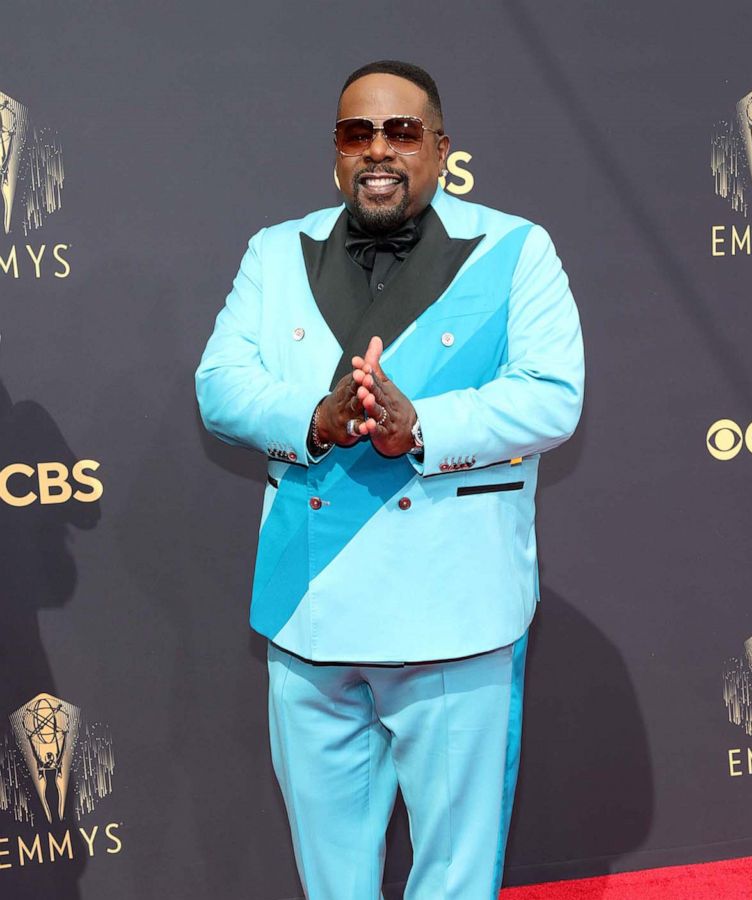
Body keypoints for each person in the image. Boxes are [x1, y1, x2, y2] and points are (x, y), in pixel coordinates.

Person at [196, 60, 583, 900]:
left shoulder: (513, 250)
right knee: (330, 876)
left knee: (454, 875)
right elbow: (219, 385)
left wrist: (426, 428)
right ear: (336, 153)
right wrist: (314, 419)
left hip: (456, 614)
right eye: (356, 133)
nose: (379, 150)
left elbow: (553, 397)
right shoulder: (275, 251)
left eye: (402, 132)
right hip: (308, 617)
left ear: (441, 148)